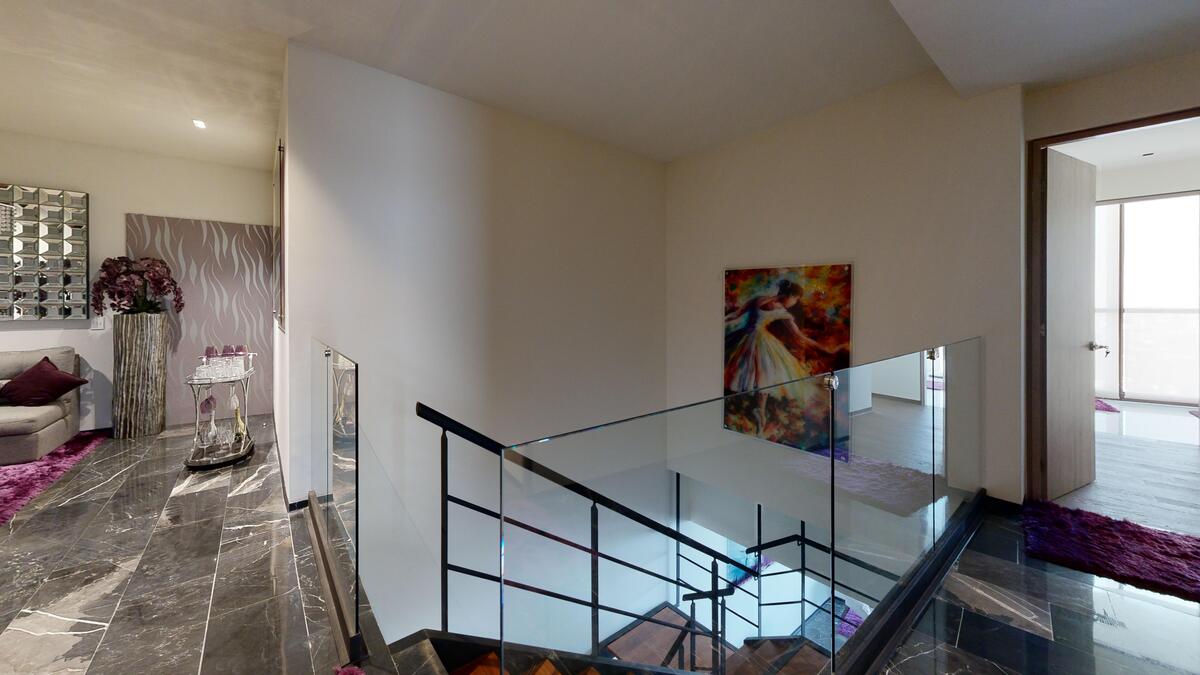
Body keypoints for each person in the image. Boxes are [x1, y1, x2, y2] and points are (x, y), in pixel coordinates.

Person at [724, 278, 833, 433]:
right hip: (756, 341)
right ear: (790, 296)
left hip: (748, 338)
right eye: (795, 299)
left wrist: (724, 322)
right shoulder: (779, 310)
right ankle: (758, 411)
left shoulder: (760, 300)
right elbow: (800, 337)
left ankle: (758, 411)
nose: (794, 303)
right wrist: (824, 350)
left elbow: (736, 315)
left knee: (759, 371)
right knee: (761, 373)